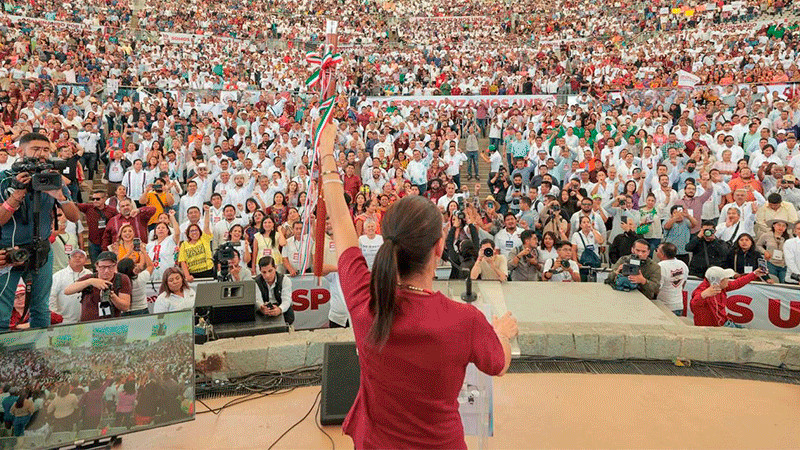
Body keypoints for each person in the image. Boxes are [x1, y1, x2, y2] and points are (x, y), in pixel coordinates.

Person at [318, 125, 516, 449]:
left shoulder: (365, 301)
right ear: (439, 248)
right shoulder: (465, 320)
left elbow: (340, 223)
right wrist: (503, 334)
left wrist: (326, 152)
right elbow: (499, 364)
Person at [0, 132, 80, 331]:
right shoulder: (3, 179)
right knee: (2, 311)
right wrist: (16, 196)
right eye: (35, 149)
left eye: (46, 150)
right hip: (9, 253)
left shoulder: (53, 178)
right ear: (20, 151)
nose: (42, 154)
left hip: (42, 251)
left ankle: (40, 349)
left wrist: (60, 196)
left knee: (41, 309)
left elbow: (74, 217)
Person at [64, 251, 132, 321]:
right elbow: (67, 291)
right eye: (103, 267)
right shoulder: (90, 277)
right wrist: (90, 282)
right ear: (97, 266)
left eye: (110, 267)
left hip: (112, 322)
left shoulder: (121, 279)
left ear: (115, 266)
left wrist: (112, 296)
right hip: (89, 322)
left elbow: (125, 307)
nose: (106, 271)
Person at [691, 266, 766, 327]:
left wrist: (754, 274)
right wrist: (703, 295)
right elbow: (693, 305)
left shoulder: (720, 286)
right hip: (716, 329)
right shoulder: (702, 291)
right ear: (719, 281)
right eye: (726, 279)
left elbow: (738, 283)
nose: (728, 280)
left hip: (724, 323)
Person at [50, 249, 92, 324]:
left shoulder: (90, 275)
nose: (77, 258)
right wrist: (55, 316)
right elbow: (51, 297)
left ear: (85, 261)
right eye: (74, 256)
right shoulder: (58, 276)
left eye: (81, 257)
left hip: (85, 321)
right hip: (64, 321)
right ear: (69, 260)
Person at [77, 190, 118, 263]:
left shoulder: (112, 210)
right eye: (93, 199)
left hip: (108, 242)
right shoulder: (88, 207)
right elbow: (74, 205)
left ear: (104, 199)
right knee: (95, 265)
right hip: (94, 243)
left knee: (110, 263)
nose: (95, 201)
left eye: (97, 199)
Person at [254, 256, 294, 325]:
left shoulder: (285, 280)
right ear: (260, 271)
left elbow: (287, 300)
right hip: (264, 311)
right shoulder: (256, 282)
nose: (267, 275)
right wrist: (261, 308)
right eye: (264, 272)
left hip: (282, 309)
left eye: (270, 271)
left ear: (275, 268)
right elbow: (258, 300)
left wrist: (280, 309)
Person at [178, 208, 215, 281]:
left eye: (196, 230)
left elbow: (206, 225)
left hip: (207, 271)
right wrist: (187, 276)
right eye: (191, 231)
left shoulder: (204, 239)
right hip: (192, 274)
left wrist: (207, 212)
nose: (194, 232)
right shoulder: (184, 245)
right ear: (188, 234)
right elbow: (183, 262)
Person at [655, 242, 688, 315]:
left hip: (664, 306)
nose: (656, 251)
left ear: (662, 254)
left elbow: (657, 287)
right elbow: (683, 283)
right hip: (679, 304)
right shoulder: (682, 264)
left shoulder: (661, 266)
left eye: (657, 250)